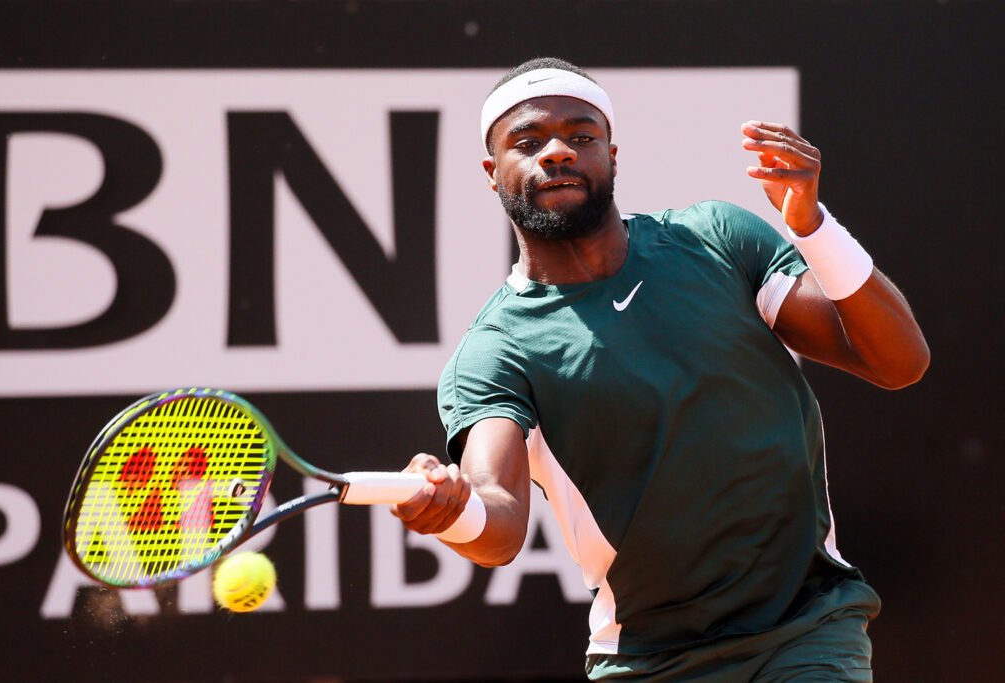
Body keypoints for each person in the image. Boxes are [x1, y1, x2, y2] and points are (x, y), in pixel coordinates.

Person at [393, 57, 929, 682]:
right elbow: (500, 521)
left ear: (613, 155)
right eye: (529, 141)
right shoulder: (494, 351)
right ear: (493, 172)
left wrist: (812, 226)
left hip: (806, 627)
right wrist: (451, 510)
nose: (558, 153)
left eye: (581, 136)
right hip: (649, 660)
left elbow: (898, 361)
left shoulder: (717, 240)